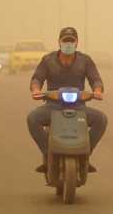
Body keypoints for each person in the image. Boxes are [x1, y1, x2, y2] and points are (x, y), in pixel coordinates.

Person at [26, 27, 107, 173]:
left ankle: (85, 155)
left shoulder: (85, 61)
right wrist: (36, 90)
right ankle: (48, 154)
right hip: (53, 106)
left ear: (77, 43)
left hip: (79, 107)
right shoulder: (48, 60)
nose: (68, 44)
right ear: (59, 42)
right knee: (32, 118)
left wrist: (97, 91)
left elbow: (96, 80)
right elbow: (37, 79)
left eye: (71, 41)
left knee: (101, 119)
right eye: (65, 41)